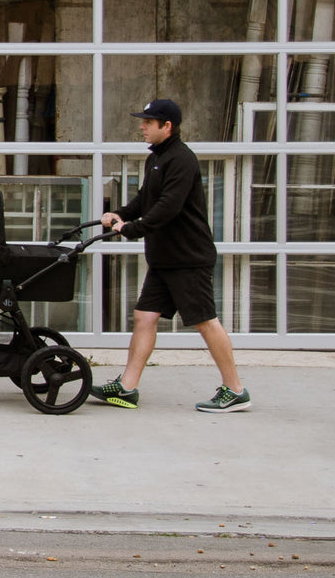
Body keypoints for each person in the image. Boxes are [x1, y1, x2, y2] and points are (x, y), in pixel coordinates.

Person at [93, 98, 251, 412]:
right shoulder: (158, 159)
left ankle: (235, 390)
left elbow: (168, 207)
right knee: (144, 317)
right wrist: (118, 214)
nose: (142, 127)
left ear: (167, 126)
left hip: (187, 258)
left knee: (206, 322)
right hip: (165, 259)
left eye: (148, 123)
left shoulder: (181, 159)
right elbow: (145, 200)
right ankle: (127, 387)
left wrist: (132, 229)